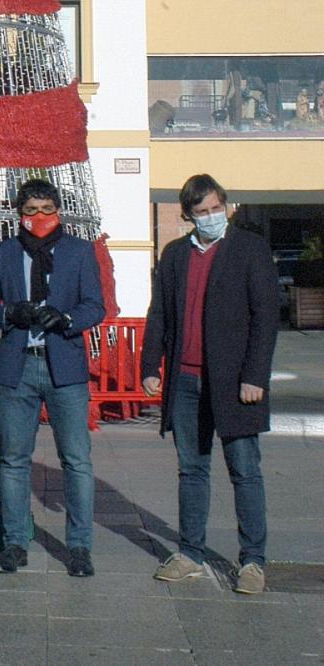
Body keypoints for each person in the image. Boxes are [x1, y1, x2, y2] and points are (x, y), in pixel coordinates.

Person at [142, 174, 278, 594]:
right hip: (185, 379)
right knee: (192, 470)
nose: (211, 217)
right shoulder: (176, 254)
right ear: (188, 216)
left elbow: (266, 317)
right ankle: (190, 553)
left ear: (227, 206)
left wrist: (255, 375)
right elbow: (160, 314)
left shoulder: (249, 249)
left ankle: (252, 561)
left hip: (235, 382)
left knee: (245, 471)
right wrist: (151, 365)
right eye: (201, 213)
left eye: (216, 209)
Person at [0, 178, 105, 577]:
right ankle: (14, 544)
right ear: (20, 214)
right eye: (31, 211)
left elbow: (94, 306)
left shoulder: (79, 253)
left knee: (76, 460)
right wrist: (10, 313)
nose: (40, 218)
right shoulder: (5, 253)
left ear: (58, 211)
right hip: (19, 364)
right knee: (13, 459)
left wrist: (66, 319)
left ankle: (79, 547)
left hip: (63, 364)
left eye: (47, 210)